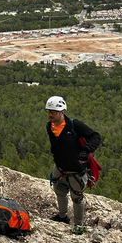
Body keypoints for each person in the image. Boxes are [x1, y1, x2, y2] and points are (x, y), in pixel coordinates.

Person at [45, 96, 101, 232]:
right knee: (59, 190)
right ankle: (62, 216)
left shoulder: (74, 125)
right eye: (49, 111)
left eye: (53, 112)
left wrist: (85, 151)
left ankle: (78, 225)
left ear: (62, 112)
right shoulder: (49, 126)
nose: (50, 115)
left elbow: (96, 136)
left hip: (76, 169)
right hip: (60, 166)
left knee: (77, 197)